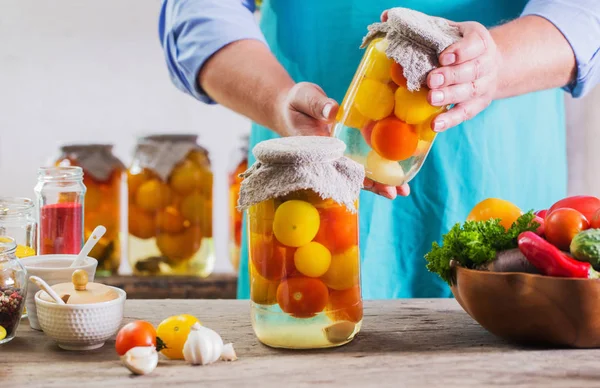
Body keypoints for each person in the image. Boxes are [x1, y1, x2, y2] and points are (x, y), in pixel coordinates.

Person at [159, 0, 600, 299]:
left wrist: (494, 64)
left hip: (493, 163)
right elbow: (200, 11)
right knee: (301, 329)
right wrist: (275, 99)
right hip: (305, 158)